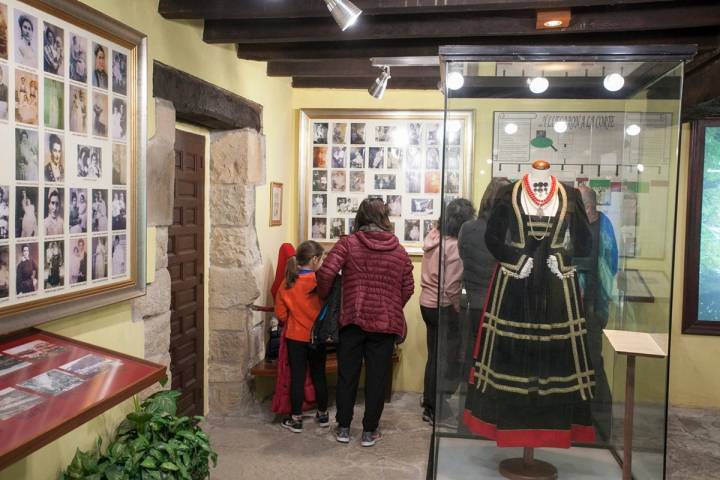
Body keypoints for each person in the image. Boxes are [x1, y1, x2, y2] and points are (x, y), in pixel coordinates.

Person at [316, 198, 414, 447]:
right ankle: (370, 431)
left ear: (360, 216)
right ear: (385, 218)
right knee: (377, 377)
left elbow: (326, 272)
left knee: (347, 374)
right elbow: (408, 287)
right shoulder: (399, 251)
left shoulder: (348, 244)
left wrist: (325, 297)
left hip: (352, 320)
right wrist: (391, 306)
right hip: (384, 324)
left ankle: (344, 428)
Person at [456, 178, 510, 427]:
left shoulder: (468, 228)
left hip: (475, 303)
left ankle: (469, 413)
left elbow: (464, 256)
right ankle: (495, 415)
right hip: (501, 306)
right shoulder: (509, 232)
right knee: (499, 364)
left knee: (472, 359)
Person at [419, 198, 475, 424]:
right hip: (443, 306)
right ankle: (434, 407)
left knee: (434, 355)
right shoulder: (454, 246)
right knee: (446, 359)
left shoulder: (433, 237)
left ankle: (429, 401)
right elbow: (452, 286)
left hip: (426, 303)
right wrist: (457, 308)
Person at [574, 186, 619, 440]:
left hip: (594, 305)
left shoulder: (603, 228)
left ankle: (600, 422)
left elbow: (609, 265)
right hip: (578, 305)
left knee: (593, 360)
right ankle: (580, 419)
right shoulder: (583, 225)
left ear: (589, 208)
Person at [274, 240, 329, 433]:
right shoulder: (320, 282)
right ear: (314, 259)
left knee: (296, 376)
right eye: (321, 258)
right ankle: (322, 414)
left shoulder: (288, 282)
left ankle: (296, 418)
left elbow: (280, 314)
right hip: (317, 337)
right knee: (319, 375)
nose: (322, 262)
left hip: (295, 337)